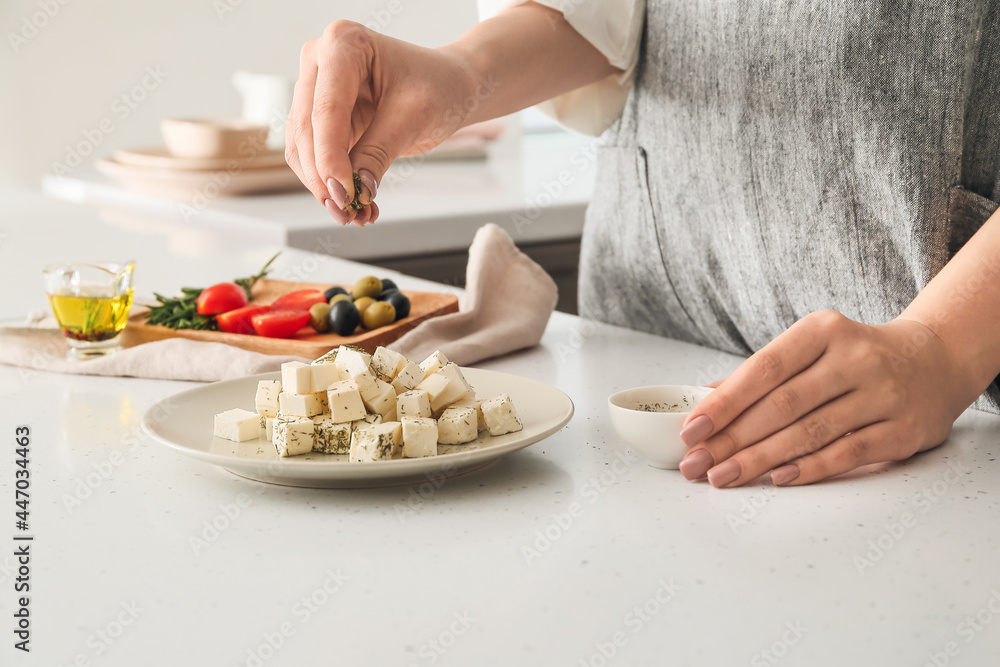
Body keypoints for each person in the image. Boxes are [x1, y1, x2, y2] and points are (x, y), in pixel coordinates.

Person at [284, 1, 1000, 488]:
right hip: (652, 325)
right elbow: (604, 18)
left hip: (947, 415)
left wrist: (941, 347)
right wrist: (464, 74)